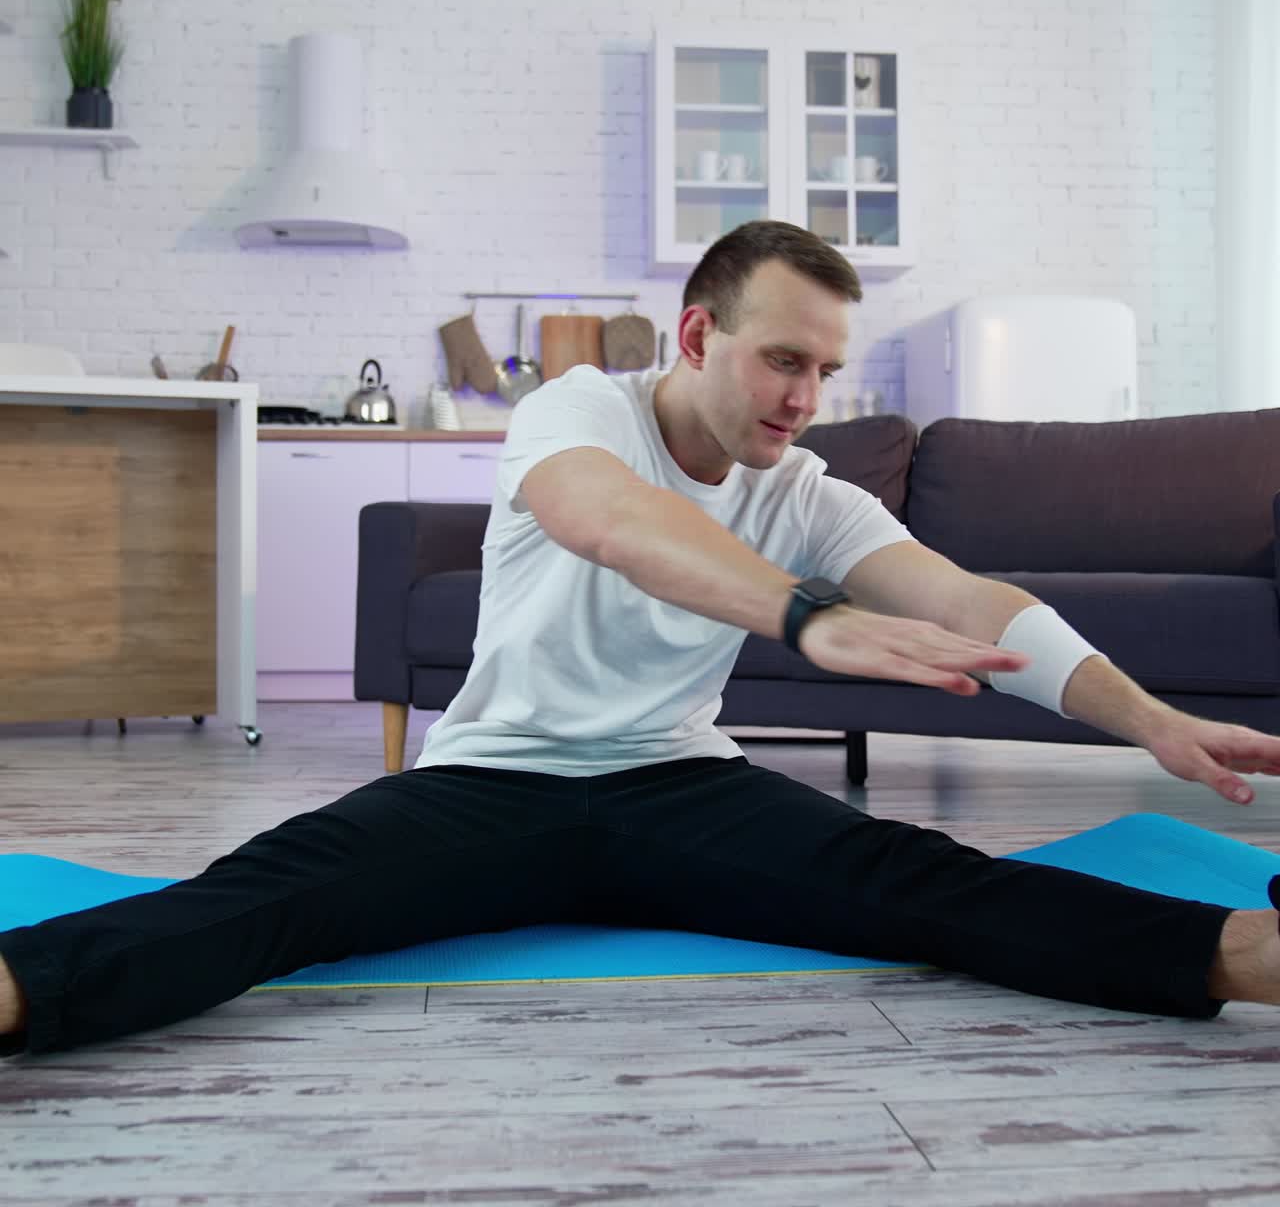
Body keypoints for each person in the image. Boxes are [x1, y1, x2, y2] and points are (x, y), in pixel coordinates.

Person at [4, 219, 1280, 1058]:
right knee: (254, 905)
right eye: (782, 358)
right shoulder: (580, 410)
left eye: (824, 371)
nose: (803, 398)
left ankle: (1244, 955)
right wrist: (805, 618)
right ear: (694, 336)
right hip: (492, 784)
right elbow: (606, 520)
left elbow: (963, 596)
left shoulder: (806, 485)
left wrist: (1149, 718)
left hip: (683, 787)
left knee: (930, 887)